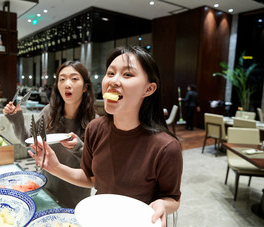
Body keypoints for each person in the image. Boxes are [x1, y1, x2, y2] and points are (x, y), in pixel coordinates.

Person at [29, 46, 183, 227]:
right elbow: (91, 178)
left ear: (148, 89)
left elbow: (172, 199)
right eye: (110, 73)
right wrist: (54, 167)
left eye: (127, 75)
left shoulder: (166, 147)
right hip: (99, 219)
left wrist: (162, 204)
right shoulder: (95, 128)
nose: (113, 81)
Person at [3, 61, 97, 208]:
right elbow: (29, 141)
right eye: (62, 79)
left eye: (74, 78)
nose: (67, 84)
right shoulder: (49, 112)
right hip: (47, 191)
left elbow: (96, 167)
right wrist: (16, 119)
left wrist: (79, 147)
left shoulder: (95, 123)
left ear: (85, 87)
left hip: (77, 198)